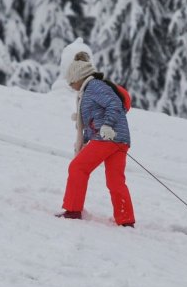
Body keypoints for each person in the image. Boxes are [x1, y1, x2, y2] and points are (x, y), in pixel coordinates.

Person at [56, 46, 135, 227]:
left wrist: (107, 126)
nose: (70, 85)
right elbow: (95, 119)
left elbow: (114, 104)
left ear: (78, 76)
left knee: (78, 168)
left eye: (71, 81)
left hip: (108, 138)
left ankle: (73, 210)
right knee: (115, 180)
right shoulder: (91, 88)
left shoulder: (94, 87)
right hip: (119, 139)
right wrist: (85, 139)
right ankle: (126, 220)